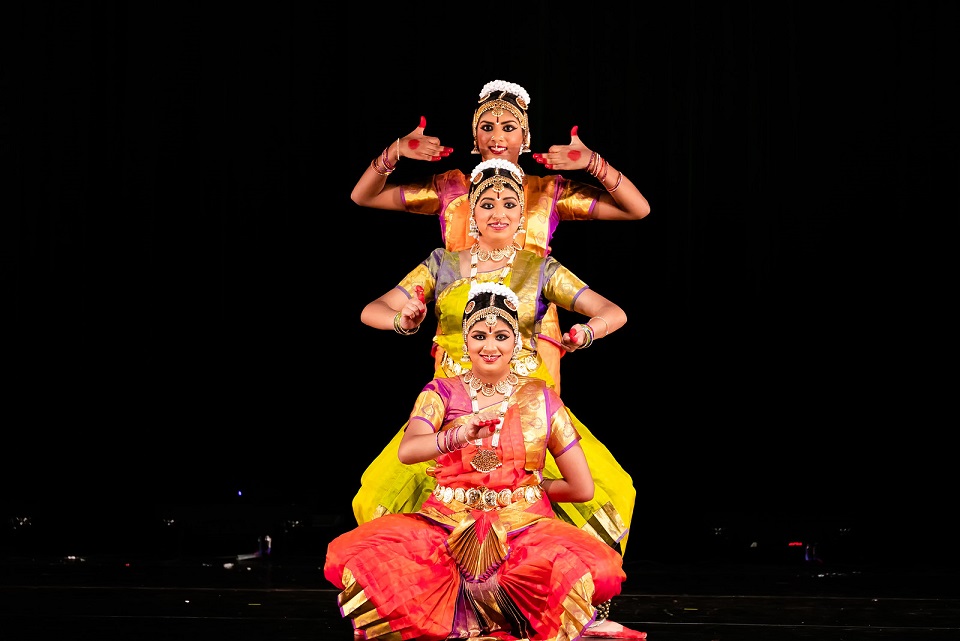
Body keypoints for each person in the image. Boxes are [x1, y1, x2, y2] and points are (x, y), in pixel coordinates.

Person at [358, 159, 646, 639]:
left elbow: (611, 311)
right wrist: (403, 319)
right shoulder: (442, 264)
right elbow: (374, 309)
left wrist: (586, 333)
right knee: (380, 492)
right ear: (471, 213)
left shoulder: (541, 269)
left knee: (610, 490)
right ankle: (422, 605)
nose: (497, 212)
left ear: (521, 214)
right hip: (450, 405)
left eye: (509, 204)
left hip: (525, 409)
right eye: (486, 203)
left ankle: (578, 606)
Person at [326, 282, 627, 640]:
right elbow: (408, 451)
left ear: (516, 343)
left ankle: (493, 614)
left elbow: (582, 488)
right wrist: (459, 435)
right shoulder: (440, 392)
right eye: (479, 334)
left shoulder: (542, 399)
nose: (490, 345)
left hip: (522, 529)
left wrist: (531, 486)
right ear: (465, 342)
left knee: (597, 568)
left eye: (501, 335)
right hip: (445, 527)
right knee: (359, 557)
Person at [352, 79, 651, 393]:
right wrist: (394, 152)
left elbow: (637, 210)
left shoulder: (547, 192)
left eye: (509, 127)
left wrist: (594, 164)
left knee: (532, 428)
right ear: (474, 134)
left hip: (532, 334)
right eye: (486, 127)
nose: (496, 137)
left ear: (525, 136)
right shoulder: (451, 190)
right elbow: (365, 197)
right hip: (462, 332)